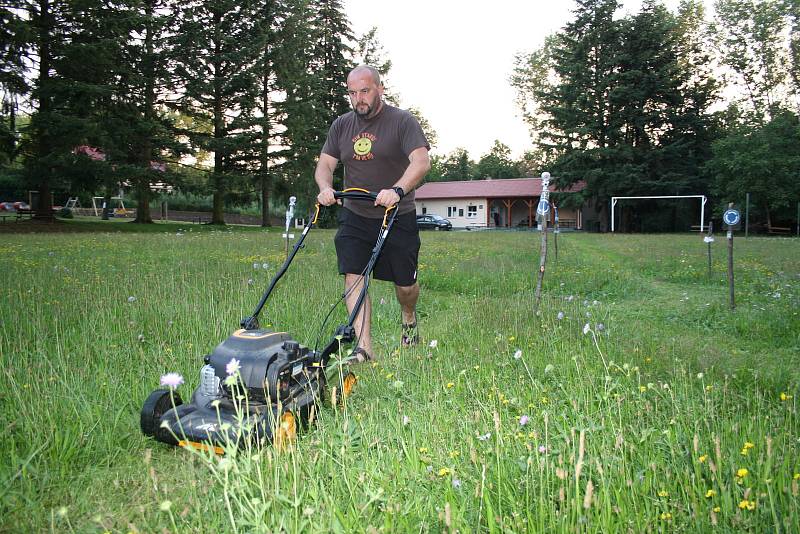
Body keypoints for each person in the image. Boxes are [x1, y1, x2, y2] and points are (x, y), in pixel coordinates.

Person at [315, 65, 431, 362]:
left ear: (380, 89)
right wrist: (326, 188)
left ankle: (408, 318)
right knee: (354, 275)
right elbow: (325, 165)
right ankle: (364, 349)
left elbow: (420, 162)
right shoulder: (341, 125)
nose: (358, 99)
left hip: (396, 215)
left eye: (364, 91)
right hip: (355, 213)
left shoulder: (402, 122)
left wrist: (398, 190)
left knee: (405, 285)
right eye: (352, 93)